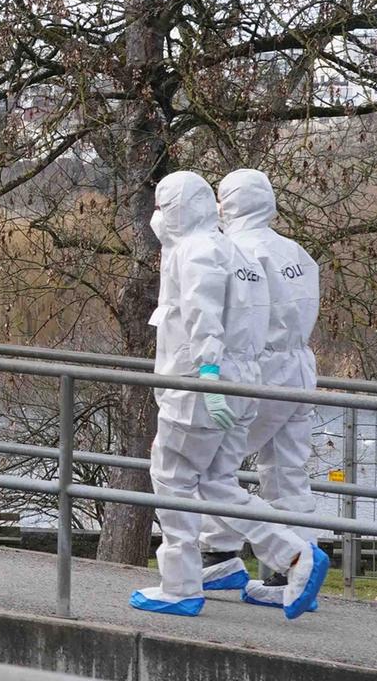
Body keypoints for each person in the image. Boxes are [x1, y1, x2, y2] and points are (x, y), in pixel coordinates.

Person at [130, 171, 329, 620]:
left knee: (175, 480)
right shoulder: (264, 252)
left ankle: (183, 582)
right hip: (267, 373)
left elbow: (202, 318)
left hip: (208, 382)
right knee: (250, 478)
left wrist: (208, 374)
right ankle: (294, 555)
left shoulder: (210, 251)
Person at [196, 168, 323, 609]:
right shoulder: (297, 253)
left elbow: (230, 318)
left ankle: (221, 556)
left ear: (227, 203)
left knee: (212, 466)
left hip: (257, 369)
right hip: (300, 370)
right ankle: (292, 574)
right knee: (288, 474)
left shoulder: (231, 251)